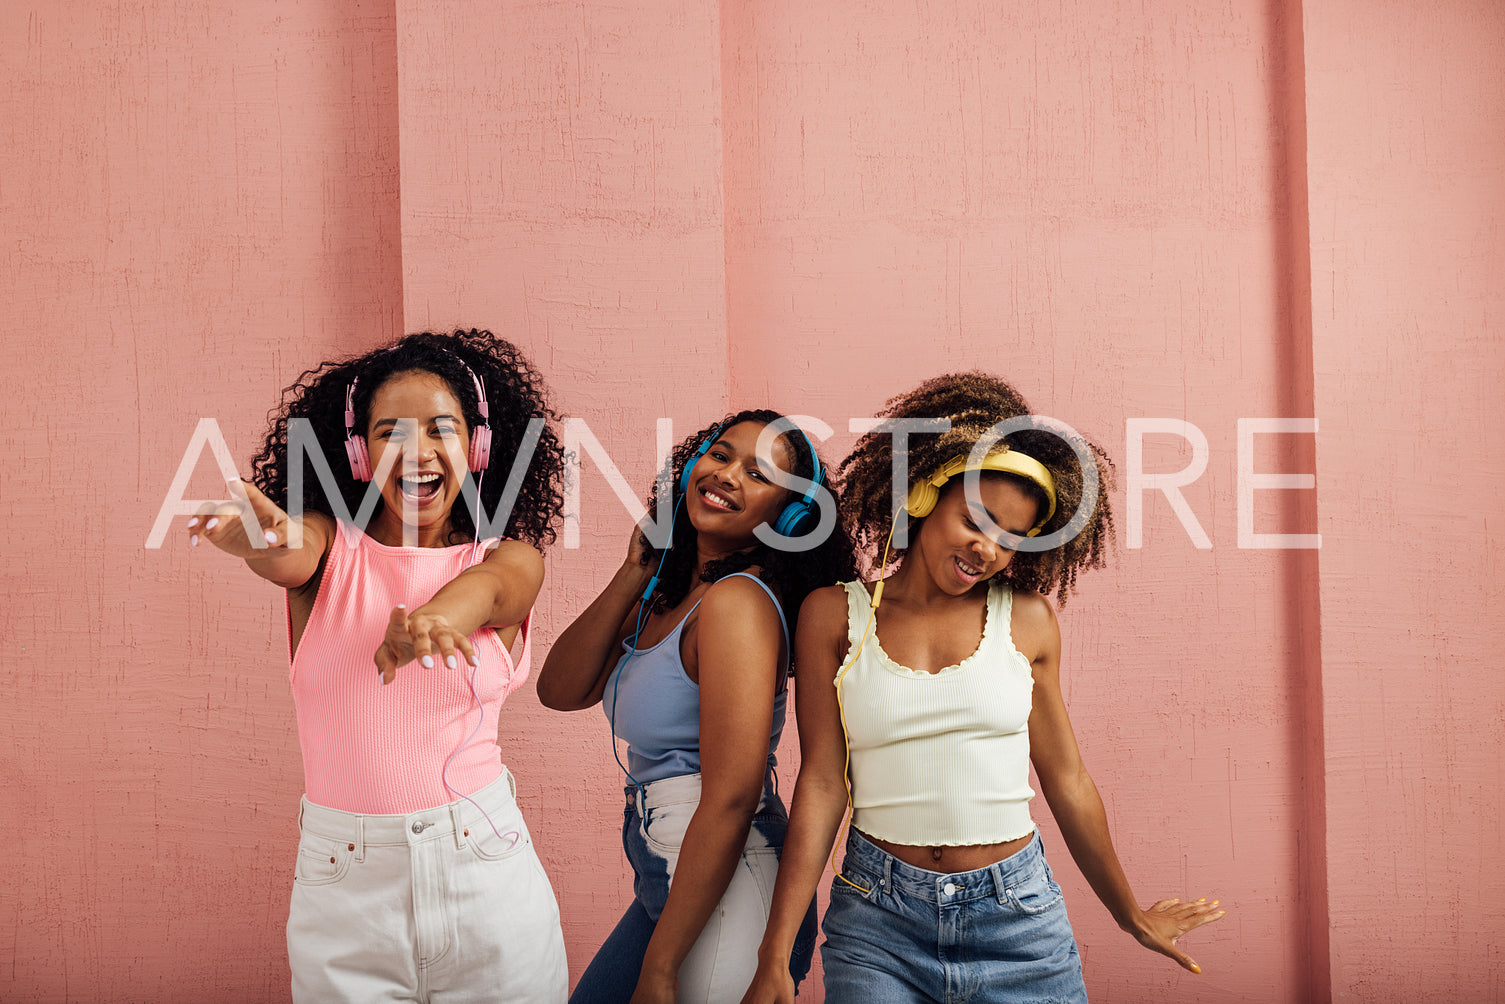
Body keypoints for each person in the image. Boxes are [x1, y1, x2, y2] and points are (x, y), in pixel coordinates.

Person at [743, 373, 1226, 1003]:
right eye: (977, 519)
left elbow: (1068, 780)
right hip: (876, 922)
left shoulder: (1026, 621)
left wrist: (1129, 914)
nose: (987, 548)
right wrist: (775, 955)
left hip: (1017, 921)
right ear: (922, 494)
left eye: (1010, 537)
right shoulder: (833, 616)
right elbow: (822, 782)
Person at [186, 329, 571, 1002]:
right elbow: (288, 552)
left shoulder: (507, 557)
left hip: (485, 874)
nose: (416, 452)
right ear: (359, 454)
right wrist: (259, 539)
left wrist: (435, 621)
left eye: (440, 431)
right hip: (345, 886)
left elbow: (488, 592)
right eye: (390, 433)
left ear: (479, 448)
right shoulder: (327, 547)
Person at [538, 410, 856, 1003]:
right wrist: (635, 569)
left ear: (786, 517)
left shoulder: (737, 604)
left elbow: (732, 796)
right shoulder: (668, 593)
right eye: (721, 454)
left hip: (736, 881)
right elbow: (560, 691)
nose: (729, 475)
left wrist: (659, 970)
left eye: (758, 474)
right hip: (671, 872)